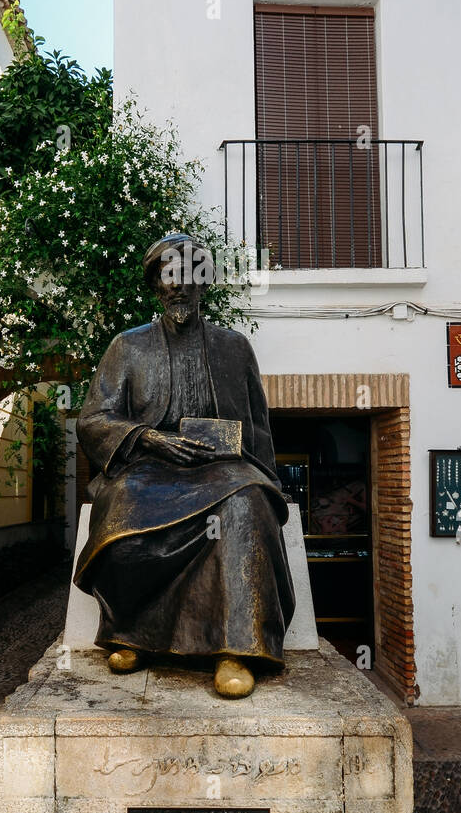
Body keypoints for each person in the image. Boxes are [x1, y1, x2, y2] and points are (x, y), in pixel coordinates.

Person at [73, 233, 295, 697]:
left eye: (188, 276)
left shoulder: (234, 348)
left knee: (246, 502)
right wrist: (149, 437)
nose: (178, 286)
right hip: (148, 466)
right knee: (122, 506)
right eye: (168, 276)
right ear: (157, 285)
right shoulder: (127, 347)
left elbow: (257, 425)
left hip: (221, 467)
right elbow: (94, 418)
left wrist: (269, 479)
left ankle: (236, 648)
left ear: (202, 285)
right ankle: (131, 632)